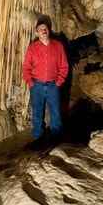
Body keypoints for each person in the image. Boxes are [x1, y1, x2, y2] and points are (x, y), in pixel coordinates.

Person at [22, 17, 69, 145]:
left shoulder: (57, 46)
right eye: (40, 29)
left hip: (53, 85)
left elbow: (64, 65)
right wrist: (30, 82)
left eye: (45, 29)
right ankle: (38, 136)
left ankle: (56, 137)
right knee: (37, 112)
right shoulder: (32, 48)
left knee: (56, 112)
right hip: (37, 85)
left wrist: (59, 82)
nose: (44, 30)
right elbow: (26, 67)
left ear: (49, 31)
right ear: (37, 33)